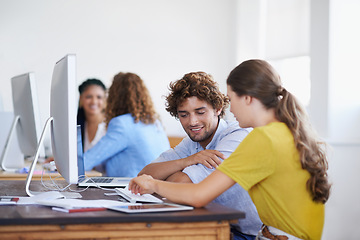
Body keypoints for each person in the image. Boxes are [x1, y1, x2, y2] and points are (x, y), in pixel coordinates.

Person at [129, 60, 331, 240]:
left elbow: (198, 195)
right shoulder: (282, 131)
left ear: (248, 99)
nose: (230, 109)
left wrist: (153, 184)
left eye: (231, 99)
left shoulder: (261, 138)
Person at [137, 72, 262, 240]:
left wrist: (159, 181)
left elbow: (181, 183)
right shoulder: (192, 142)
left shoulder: (236, 136)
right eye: (184, 115)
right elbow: (145, 174)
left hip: (250, 235)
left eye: (200, 112)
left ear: (218, 109)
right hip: (219, 226)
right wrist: (187, 161)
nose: (192, 122)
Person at [84, 72, 170, 177]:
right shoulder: (154, 122)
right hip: (159, 186)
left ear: (113, 97)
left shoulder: (122, 124)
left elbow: (86, 161)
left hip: (134, 188)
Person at [77, 78, 107, 152]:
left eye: (99, 97)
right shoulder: (77, 126)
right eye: (89, 97)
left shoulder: (111, 125)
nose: (94, 101)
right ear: (81, 99)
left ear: (104, 100)